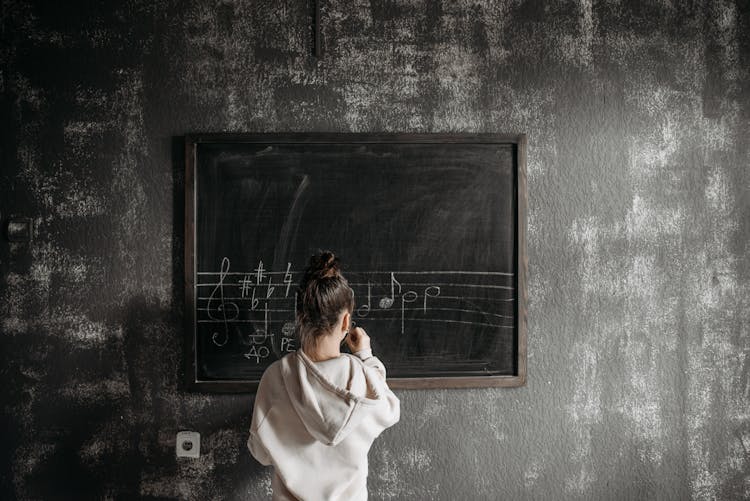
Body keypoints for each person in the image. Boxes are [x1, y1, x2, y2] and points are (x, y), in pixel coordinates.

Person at [247, 251, 401, 501]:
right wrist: (365, 355)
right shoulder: (363, 378)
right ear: (346, 322)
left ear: (299, 317)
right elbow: (390, 410)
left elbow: (261, 453)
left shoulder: (275, 377)